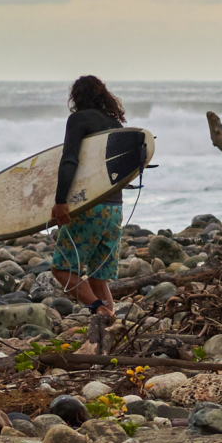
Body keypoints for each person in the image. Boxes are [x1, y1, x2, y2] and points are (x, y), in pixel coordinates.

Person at [50, 75, 127, 320]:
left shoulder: (79, 119)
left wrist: (61, 200)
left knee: (62, 270)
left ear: (77, 96)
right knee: (98, 275)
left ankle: (100, 311)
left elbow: (70, 159)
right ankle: (110, 327)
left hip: (89, 205)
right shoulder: (116, 124)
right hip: (115, 207)